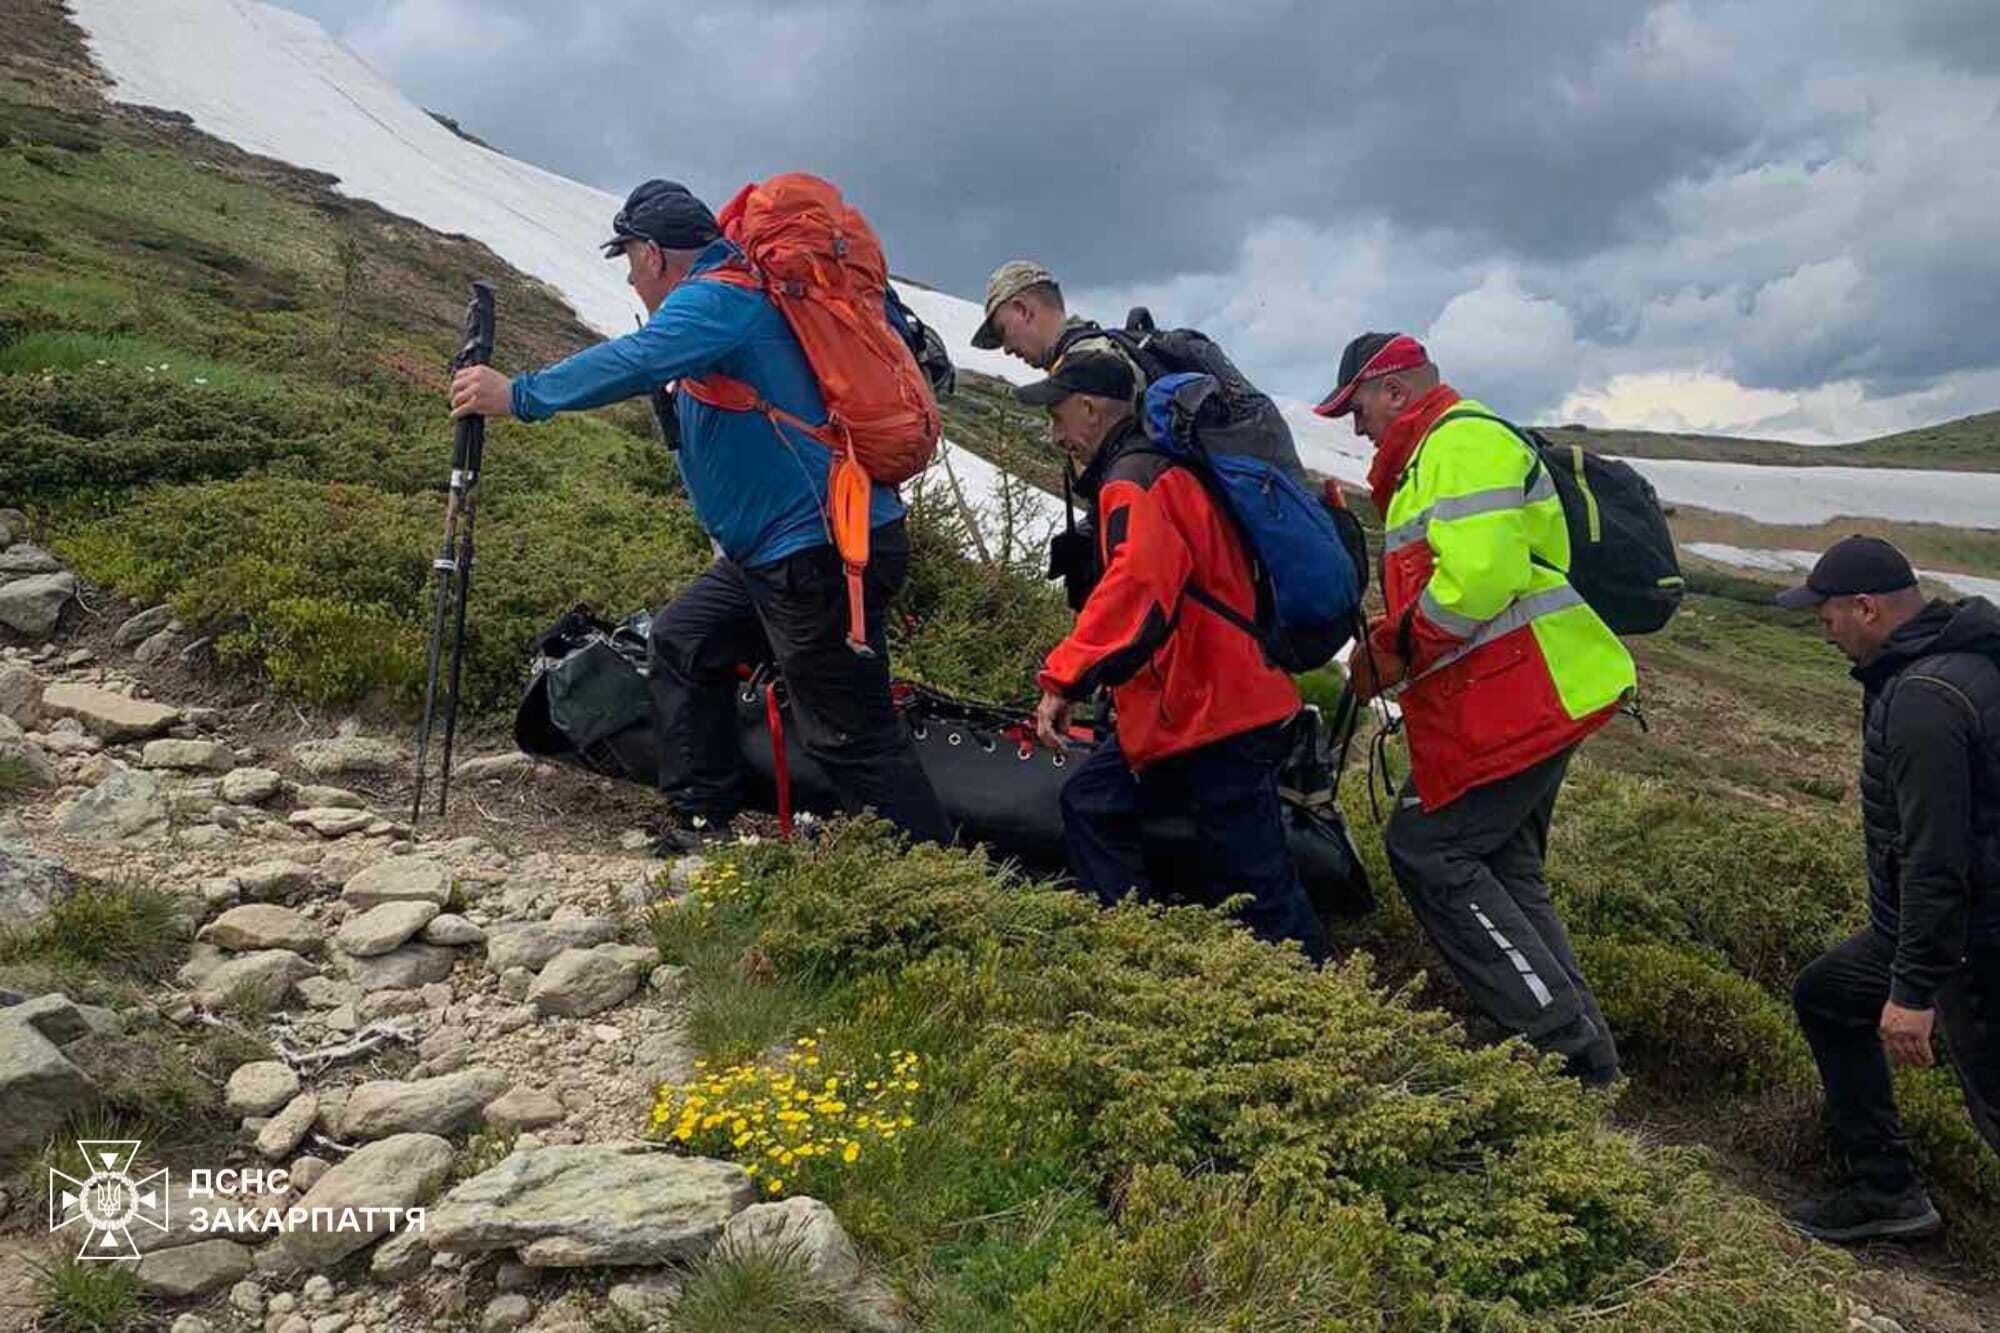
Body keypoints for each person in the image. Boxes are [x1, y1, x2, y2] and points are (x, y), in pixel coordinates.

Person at [449, 178, 950, 850]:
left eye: (628, 260)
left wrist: (521, 396)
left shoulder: (720, 297)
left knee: (848, 731)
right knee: (683, 639)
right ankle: (698, 820)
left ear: (654, 254)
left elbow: (636, 358)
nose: (630, 279)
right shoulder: (732, 297)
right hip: (777, 552)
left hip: (820, 551)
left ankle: (928, 877)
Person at [1315, 331, 1634, 1082]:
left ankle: (1561, 1049)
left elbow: (1480, 580)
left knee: (1428, 847)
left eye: (1357, 408)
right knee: (1504, 865)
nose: (1355, 426)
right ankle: (1589, 1062)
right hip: (1521, 697)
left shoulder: (1460, 442)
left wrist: (1398, 642)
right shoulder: (1430, 459)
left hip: (1525, 696)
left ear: (1395, 390)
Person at [1024, 351, 1327, 962]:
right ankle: (1144, 957)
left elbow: (1139, 588)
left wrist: (1063, 678)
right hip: (1200, 706)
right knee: (1094, 806)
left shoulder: (1134, 480)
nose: (1056, 435)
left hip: (1214, 711)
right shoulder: (1161, 467)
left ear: (1089, 408)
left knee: (1255, 881)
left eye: (1058, 416)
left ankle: (1313, 1001)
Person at [1775, 536, 2000, 1242]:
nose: (1825, 628)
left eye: (1827, 614)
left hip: (1972, 940)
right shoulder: (1947, 666)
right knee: (1829, 993)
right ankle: (1885, 1190)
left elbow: (1938, 860)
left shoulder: (1923, 700)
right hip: (1946, 928)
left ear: (1866, 608)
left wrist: (1911, 991)